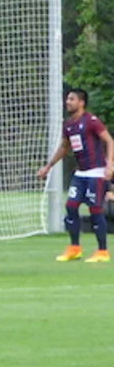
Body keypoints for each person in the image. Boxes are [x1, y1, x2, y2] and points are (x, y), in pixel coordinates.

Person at [38, 88, 114, 262]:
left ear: (81, 102)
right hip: (80, 173)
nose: (68, 102)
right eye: (67, 99)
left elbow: (110, 141)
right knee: (71, 206)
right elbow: (65, 148)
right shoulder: (69, 125)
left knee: (95, 209)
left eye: (71, 99)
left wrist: (109, 165)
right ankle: (75, 248)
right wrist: (48, 166)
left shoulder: (91, 121)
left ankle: (102, 251)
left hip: (96, 173)